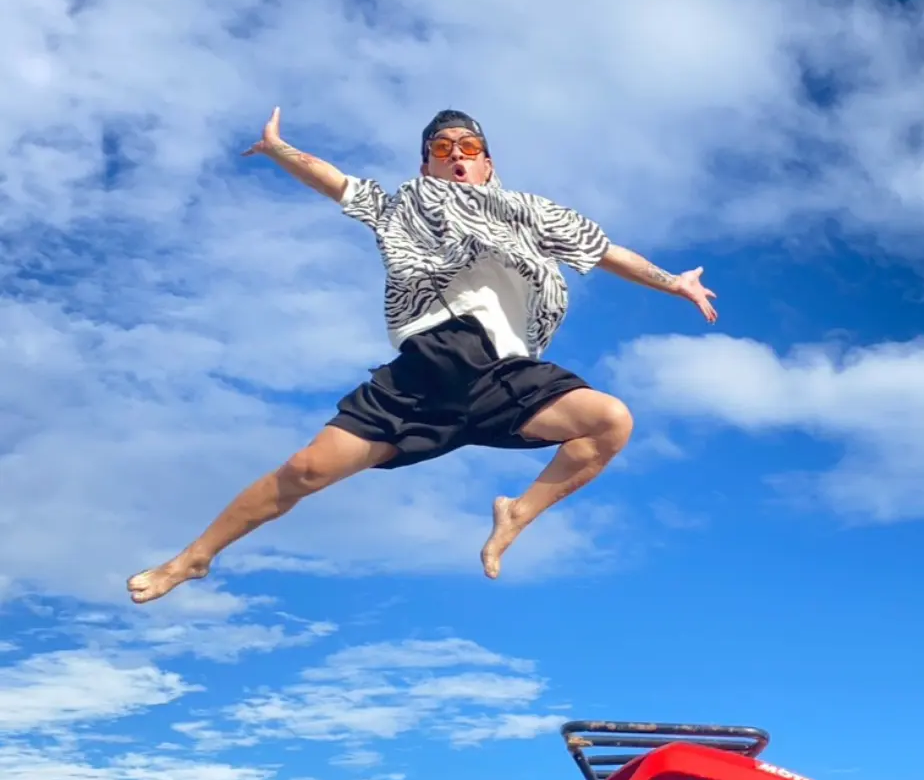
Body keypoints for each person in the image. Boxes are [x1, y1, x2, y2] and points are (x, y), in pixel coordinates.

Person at [126, 107, 717, 604]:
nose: (456, 155)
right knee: (304, 471)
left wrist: (674, 283)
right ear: (426, 163)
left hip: (503, 373)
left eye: (470, 147)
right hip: (423, 370)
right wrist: (280, 151)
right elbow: (336, 183)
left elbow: (606, 250)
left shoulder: (532, 214)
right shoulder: (401, 208)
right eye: (442, 148)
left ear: (488, 163)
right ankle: (195, 559)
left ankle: (515, 515)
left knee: (609, 421)